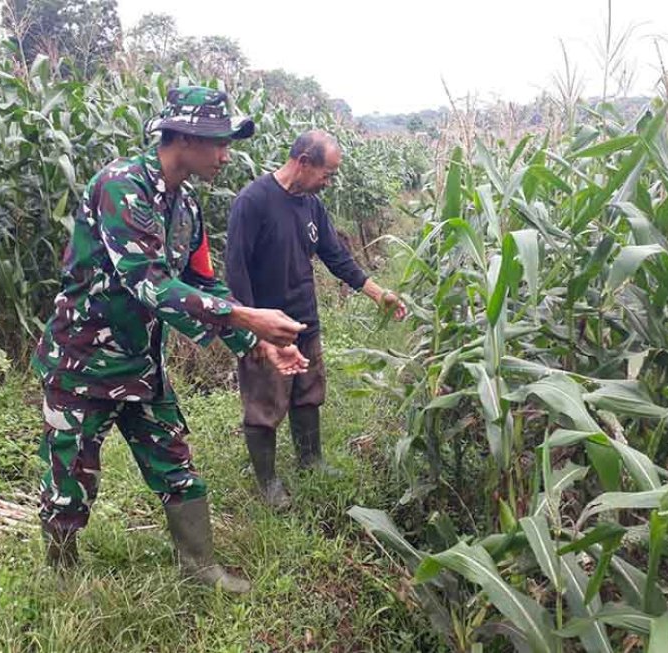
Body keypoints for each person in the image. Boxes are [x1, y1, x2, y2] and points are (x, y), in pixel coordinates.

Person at [32, 86, 308, 594]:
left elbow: (202, 280)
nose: (227, 155)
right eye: (219, 142)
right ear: (182, 138)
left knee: (175, 461)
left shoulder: (186, 206)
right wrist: (247, 318)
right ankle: (62, 578)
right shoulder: (121, 186)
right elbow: (149, 282)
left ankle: (201, 569)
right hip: (84, 365)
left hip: (141, 367)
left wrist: (257, 345)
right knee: (70, 481)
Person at [225, 130, 406, 509]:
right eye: (328, 173)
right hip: (267, 328)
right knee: (264, 405)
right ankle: (269, 482)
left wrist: (377, 293)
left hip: (304, 319)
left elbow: (335, 255)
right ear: (304, 162)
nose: (329, 182)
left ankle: (311, 462)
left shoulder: (310, 205)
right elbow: (236, 272)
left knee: (308, 392)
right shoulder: (253, 202)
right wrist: (252, 333)